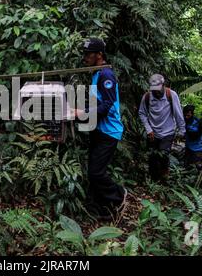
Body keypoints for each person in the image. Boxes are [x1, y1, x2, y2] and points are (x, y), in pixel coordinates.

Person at [74, 38, 127, 219]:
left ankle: (119, 196)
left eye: (89, 54)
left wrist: (82, 112)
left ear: (99, 55)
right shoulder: (96, 74)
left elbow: (107, 106)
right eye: (85, 54)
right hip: (98, 129)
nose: (86, 57)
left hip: (109, 131)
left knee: (96, 172)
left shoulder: (106, 75)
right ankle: (102, 210)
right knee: (94, 170)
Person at [138, 74, 185, 181]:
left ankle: (164, 180)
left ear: (163, 85)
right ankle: (153, 181)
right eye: (154, 90)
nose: (157, 92)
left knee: (163, 156)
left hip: (168, 132)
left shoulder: (171, 95)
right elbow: (142, 113)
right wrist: (148, 129)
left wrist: (182, 131)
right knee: (153, 158)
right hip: (153, 133)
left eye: (159, 89)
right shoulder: (147, 97)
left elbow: (178, 114)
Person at [183, 104, 202, 171]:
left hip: (198, 148)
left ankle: (201, 178)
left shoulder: (197, 122)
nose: (186, 117)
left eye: (188, 115)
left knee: (198, 166)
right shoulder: (185, 121)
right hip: (189, 147)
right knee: (186, 165)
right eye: (185, 115)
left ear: (192, 114)